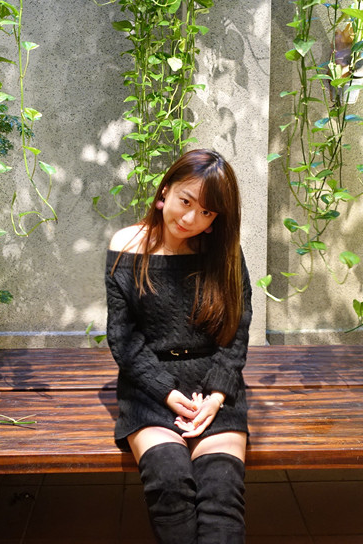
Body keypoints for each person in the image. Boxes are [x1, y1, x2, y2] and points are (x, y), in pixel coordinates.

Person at [105, 148, 252, 544]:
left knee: (221, 490)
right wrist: (167, 393)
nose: (191, 219)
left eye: (206, 212)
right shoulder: (127, 246)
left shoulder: (223, 252)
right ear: (165, 191)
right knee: (168, 481)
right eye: (186, 202)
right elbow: (123, 337)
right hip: (150, 386)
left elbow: (237, 330)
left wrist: (217, 395)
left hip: (212, 385)